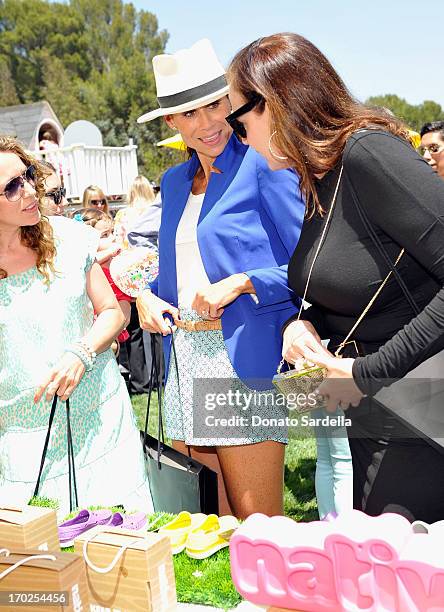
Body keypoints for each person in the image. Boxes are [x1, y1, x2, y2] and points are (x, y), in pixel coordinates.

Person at [227, 32, 444, 523]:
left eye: (240, 120)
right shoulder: (319, 175)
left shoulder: (369, 155)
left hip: (424, 404)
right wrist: (304, 322)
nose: (242, 139)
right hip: (376, 407)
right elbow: (362, 281)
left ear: (276, 103)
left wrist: (369, 370)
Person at [135, 38, 304, 518]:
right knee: (206, 526)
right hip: (182, 358)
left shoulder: (265, 162)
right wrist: (146, 298)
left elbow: (309, 266)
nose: (207, 123)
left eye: (214, 104)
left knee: (258, 528)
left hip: (239, 358)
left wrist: (242, 282)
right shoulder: (171, 183)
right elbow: (171, 267)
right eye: (190, 113)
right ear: (171, 122)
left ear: (231, 101)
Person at [0, 137, 152, 517]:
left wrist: (81, 353)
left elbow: (112, 312)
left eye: (29, 176)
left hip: (99, 419)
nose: (31, 191)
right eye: (12, 187)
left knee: (120, 549)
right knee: (42, 560)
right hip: (23, 439)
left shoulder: (67, 237)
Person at [72, 208, 131, 350]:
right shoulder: (80, 267)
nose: (112, 238)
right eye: (105, 235)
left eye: (112, 233)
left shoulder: (114, 269)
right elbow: (88, 262)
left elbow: (124, 306)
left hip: (109, 335)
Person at [114, 175, 156, 248]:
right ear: (149, 191)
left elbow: (118, 239)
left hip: (129, 255)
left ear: (131, 192)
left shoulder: (122, 214)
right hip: (153, 254)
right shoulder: (156, 212)